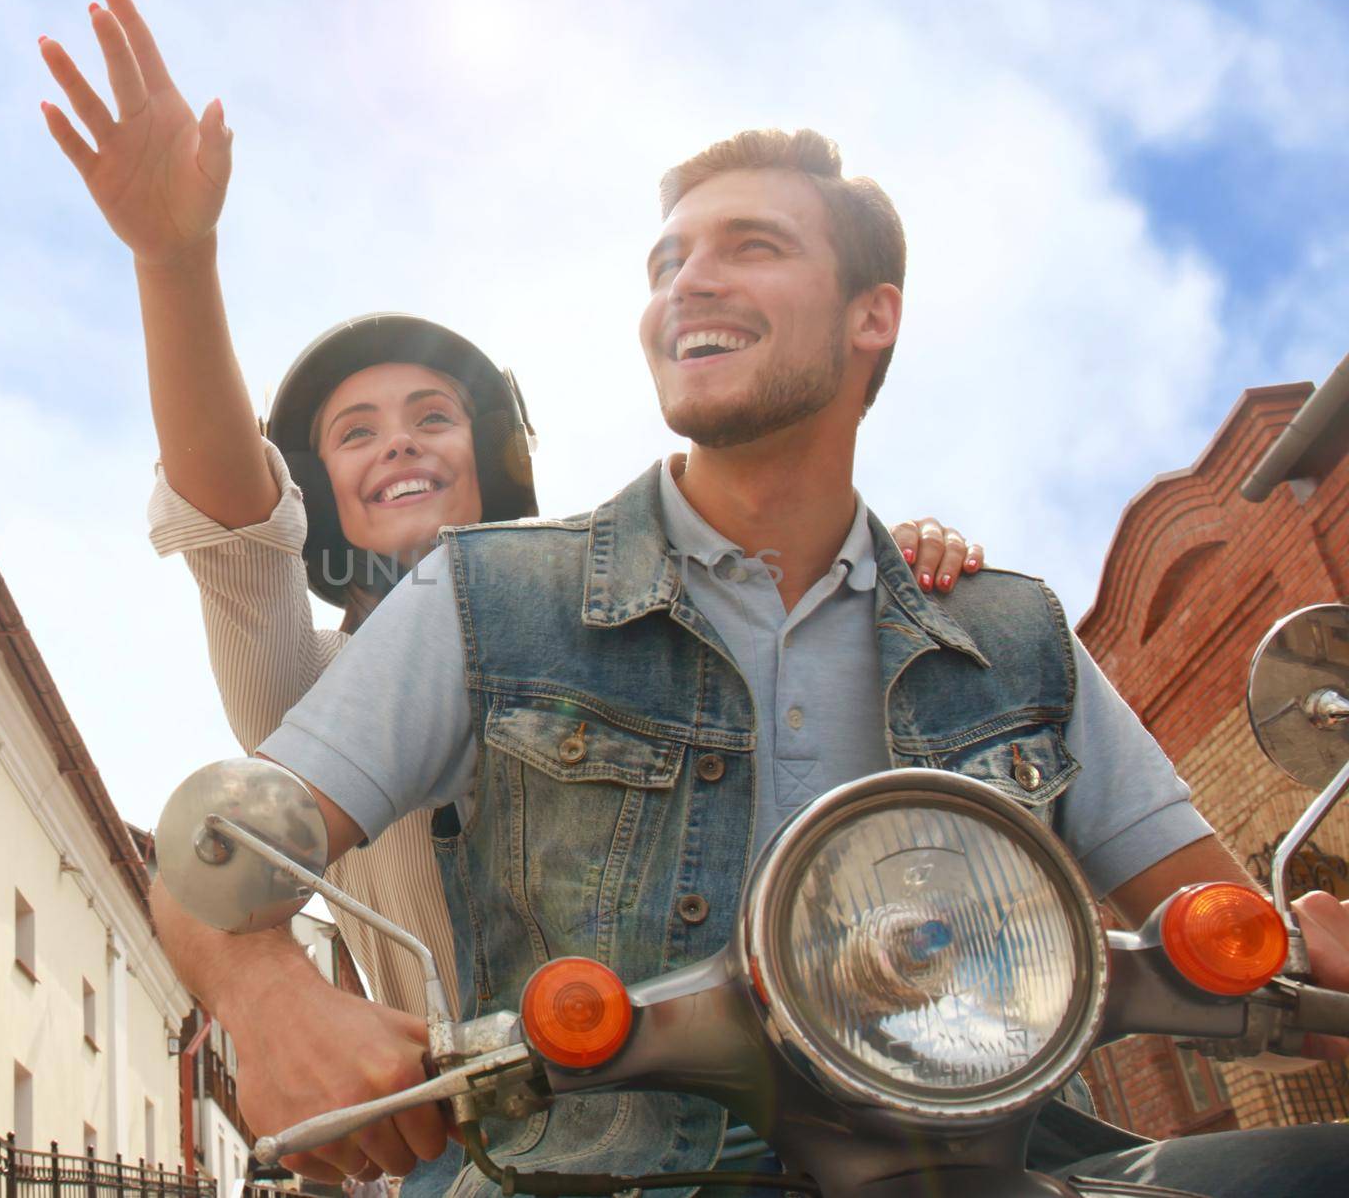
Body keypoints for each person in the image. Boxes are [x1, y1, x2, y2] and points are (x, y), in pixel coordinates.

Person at [167, 126, 1349, 1196]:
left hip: (994, 1157)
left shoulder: (1007, 631)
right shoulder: (489, 602)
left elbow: (1227, 922)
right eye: (667, 260)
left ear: (870, 314)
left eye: (750, 245)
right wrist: (270, 995)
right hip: (593, 1167)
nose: (690, 281)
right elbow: (210, 861)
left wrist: (1307, 955)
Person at [34, 0, 988, 1177]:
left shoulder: (611, 617)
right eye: (354, 430)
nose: (396, 443)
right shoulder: (307, 683)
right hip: (475, 1147)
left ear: (490, 458)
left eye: (430, 416)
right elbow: (233, 526)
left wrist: (893, 578)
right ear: (321, 488)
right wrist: (176, 259)